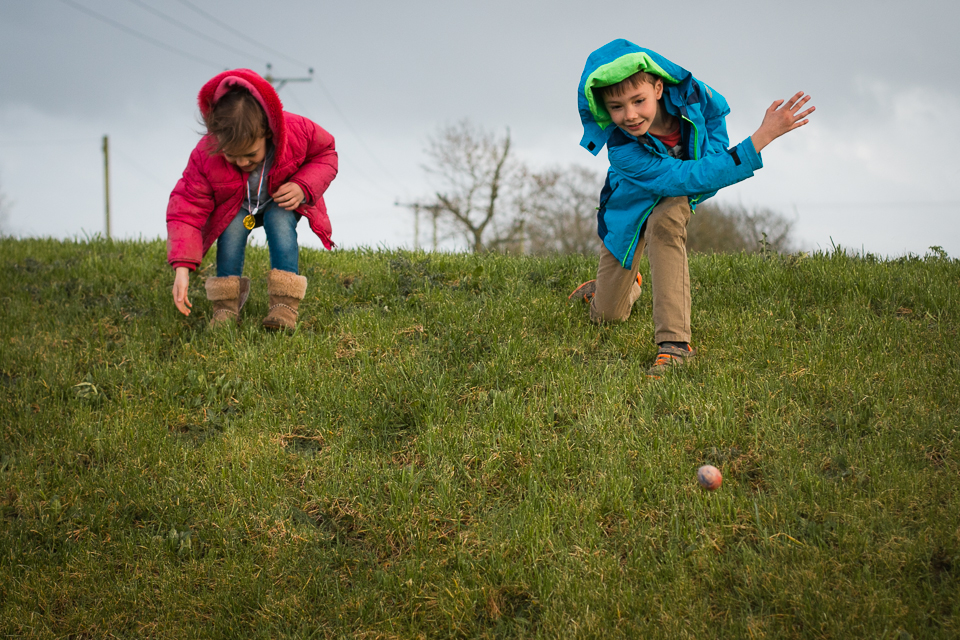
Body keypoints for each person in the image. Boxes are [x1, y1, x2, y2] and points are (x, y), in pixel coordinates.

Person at [570, 39, 814, 376]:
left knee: (666, 223)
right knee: (607, 316)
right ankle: (626, 286)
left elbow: (713, 142)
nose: (629, 115)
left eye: (638, 101)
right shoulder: (622, 151)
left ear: (658, 87)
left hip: (676, 194)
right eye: (616, 107)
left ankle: (674, 347)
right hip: (629, 209)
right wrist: (758, 140)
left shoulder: (697, 100)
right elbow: (684, 176)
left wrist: (740, 148)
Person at [166, 68, 338, 330]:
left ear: (268, 132)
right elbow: (186, 207)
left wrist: (302, 186)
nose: (242, 163)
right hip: (237, 207)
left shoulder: (296, 131)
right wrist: (181, 267)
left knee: (280, 222)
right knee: (232, 230)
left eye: (250, 155)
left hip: (279, 200)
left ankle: (284, 306)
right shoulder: (206, 154)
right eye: (232, 156)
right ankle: (225, 307)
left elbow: (326, 153)